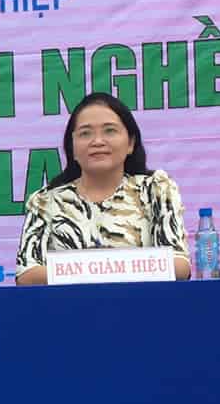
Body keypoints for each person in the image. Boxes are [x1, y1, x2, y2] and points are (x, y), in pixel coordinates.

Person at [15, 92, 191, 284]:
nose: (97, 141)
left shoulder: (155, 189)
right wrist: (107, 270)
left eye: (109, 131)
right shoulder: (45, 201)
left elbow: (179, 266)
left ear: (131, 143)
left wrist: (96, 270)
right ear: (72, 147)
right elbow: (27, 275)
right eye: (85, 133)